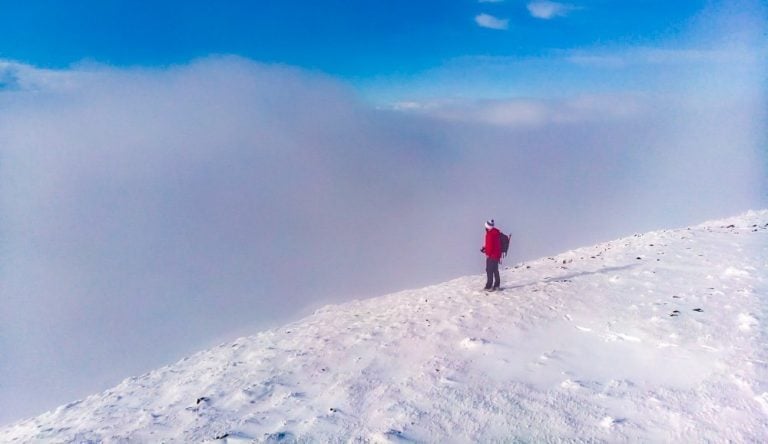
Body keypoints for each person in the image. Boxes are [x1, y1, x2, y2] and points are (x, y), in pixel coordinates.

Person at [481, 219, 502, 291]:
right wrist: (485, 248)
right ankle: (497, 285)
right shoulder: (496, 232)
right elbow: (494, 244)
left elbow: (490, 246)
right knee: (495, 270)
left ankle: (489, 286)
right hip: (497, 255)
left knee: (489, 270)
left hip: (491, 255)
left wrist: (487, 253)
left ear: (487, 227)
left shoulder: (489, 234)